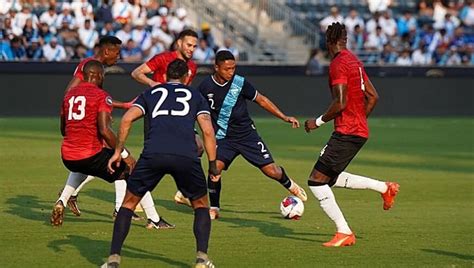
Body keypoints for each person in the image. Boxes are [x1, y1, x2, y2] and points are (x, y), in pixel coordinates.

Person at [102, 59, 218, 268]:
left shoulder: (151, 93)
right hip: (186, 156)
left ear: (164, 77)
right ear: (185, 78)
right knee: (200, 205)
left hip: (153, 153)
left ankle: (113, 260)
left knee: (128, 204)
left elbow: (127, 119)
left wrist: (118, 151)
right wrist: (212, 164)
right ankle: (202, 258)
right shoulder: (195, 95)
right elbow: (207, 131)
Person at [58, 36, 174, 230]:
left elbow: (79, 98)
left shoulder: (94, 74)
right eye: (117, 52)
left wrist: (119, 106)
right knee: (126, 165)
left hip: (74, 139)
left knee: (91, 164)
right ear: (106, 52)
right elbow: (74, 93)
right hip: (86, 130)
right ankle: (148, 216)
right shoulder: (89, 66)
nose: (119, 57)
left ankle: (65, 199)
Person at [178, 50, 307, 220]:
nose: (231, 72)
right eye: (227, 69)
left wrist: (283, 116)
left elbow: (261, 99)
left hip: (247, 136)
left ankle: (290, 184)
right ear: (216, 67)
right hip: (223, 138)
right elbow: (194, 110)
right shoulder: (205, 87)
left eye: (233, 68)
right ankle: (215, 208)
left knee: (272, 171)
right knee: (214, 170)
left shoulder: (239, 83)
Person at [303, 22, 400, 247]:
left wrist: (316, 122)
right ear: (345, 40)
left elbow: (340, 102)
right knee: (330, 178)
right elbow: (373, 96)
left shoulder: (338, 64)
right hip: (357, 130)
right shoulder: (354, 61)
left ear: (328, 42)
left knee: (316, 181)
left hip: (347, 132)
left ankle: (344, 231)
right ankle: (384, 188)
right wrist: (359, 120)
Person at [51, 60, 136, 226]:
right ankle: (125, 212)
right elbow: (105, 130)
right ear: (99, 76)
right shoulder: (100, 95)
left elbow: (63, 130)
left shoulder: (69, 95)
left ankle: (62, 201)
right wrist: (124, 154)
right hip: (89, 154)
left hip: (67, 156)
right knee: (125, 168)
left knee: (82, 168)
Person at [131, 29, 203, 207]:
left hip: (179, 116)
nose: (191, 49)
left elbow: (186, 92)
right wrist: (152, 83)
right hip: (157, 114)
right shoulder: (163, 58)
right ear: (179, 43)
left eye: (194, 46)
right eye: (188, 45)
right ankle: (135, 195)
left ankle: (183, 193)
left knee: (198, 146)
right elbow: (136, 73)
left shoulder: (192, 66)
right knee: (150, 153)